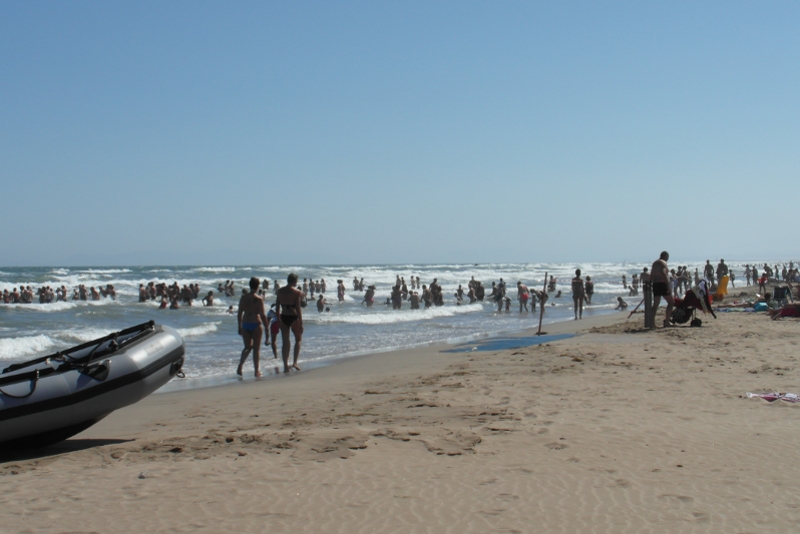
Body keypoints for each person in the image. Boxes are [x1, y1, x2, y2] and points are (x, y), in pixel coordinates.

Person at [236, 277, 269, 378]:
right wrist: (267, 327)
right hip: (255, 323)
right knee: (256, 349)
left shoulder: (244, 297)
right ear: (258, 286)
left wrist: (239, 326)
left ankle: (240, 365)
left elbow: (239, 313)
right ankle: (256, 371)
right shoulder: (258, 299)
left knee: (247, 347)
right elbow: (262, 315)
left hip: (245, 323)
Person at [276, 273, 304, 373]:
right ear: (295, 281)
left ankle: (285, 366)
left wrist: (278, 319)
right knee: (298, 339)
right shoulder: (296, 292)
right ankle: (295, 362)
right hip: (293, 316)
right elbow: (298, 308)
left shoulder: (280, 291)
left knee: (285, 342)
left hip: (283, 316)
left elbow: (277, 306)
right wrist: (301, 323)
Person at [651, 251, 674, 328]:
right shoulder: (663, 262)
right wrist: (668, 286)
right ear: (666, 256)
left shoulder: (654, 263)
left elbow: (652, 275)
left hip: (655, 284)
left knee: (655, 305)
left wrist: (652, 284)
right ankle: (667, 321)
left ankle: (652, 323)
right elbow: (663, 272)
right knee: (671, 302)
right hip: (662, 284)